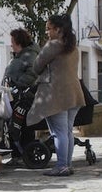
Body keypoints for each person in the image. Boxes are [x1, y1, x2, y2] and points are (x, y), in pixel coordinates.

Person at [26, 14, 86, 177]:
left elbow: (36, 67)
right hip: (74, 94)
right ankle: (67, 165)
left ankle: (61, 166)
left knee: (59, 132)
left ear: (58, 29)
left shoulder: (52, 45)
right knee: (67, 131)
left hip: (56, 95)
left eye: (49, 28)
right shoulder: (74, 47)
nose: (47, 32)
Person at [3, 28, 41, 156]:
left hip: (24, 97)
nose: (11, 44)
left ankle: (24, 153)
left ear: (19, 42)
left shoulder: (30, 55)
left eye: (12, 41)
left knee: (24, 126)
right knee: (15, 125)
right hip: (15, 96)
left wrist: (17, 85)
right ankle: (18, 153)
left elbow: (32, 73)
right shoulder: (19, 56)